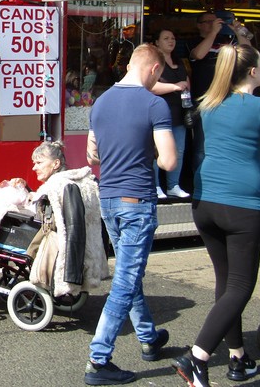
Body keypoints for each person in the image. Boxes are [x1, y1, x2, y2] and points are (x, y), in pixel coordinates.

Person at [171, 45, 260, 387]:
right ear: (254, 71)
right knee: (241, 286)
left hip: (205, 201)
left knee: (226, 283)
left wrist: (259, 177)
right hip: (240, 205)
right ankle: (196, 357)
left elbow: (226, 152)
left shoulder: (208, 105)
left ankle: (238, 357)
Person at [84, 44, 178, 386]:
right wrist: (148, 148)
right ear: (153, 69)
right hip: (137, 199)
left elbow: (92, 155)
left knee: (128, 270)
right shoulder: (155, 104)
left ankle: (149, 337)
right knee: (125, 279)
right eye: (159, 76)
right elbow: (168, 162)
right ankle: (99, 358)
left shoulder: (101, 102)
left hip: (108, 197)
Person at [28, 141, 109, 299]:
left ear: (56, 163)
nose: (34, 167)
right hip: (89, 251)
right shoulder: (79, 181)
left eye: (39, 162)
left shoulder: (57, 185)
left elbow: (66, 225)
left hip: (58, 245)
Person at [188, 11, 252, 171]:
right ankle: (199, 183)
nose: (213, 23)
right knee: (202, 147)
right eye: (208, 21)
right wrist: (213, 32)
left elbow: (249, 55)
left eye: (215, 21)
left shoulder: (226, 41)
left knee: (227, 142)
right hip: (205, 99)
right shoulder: (193, 42)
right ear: (199, 25)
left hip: (227, 99)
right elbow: (199, 54)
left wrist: (238, 31)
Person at [150, 29, 190, 199]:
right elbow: (150, 86)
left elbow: (187, 83)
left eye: (173, 38)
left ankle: (173, 185)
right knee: (157, 152)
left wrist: (185, 86)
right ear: (157, 42)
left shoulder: (179, 62)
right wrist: (175, 86)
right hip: (160, 113)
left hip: (179, 112)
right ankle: (156, 186)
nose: (171, 41)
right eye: (166, 38)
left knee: (178, 151)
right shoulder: (154, 63)